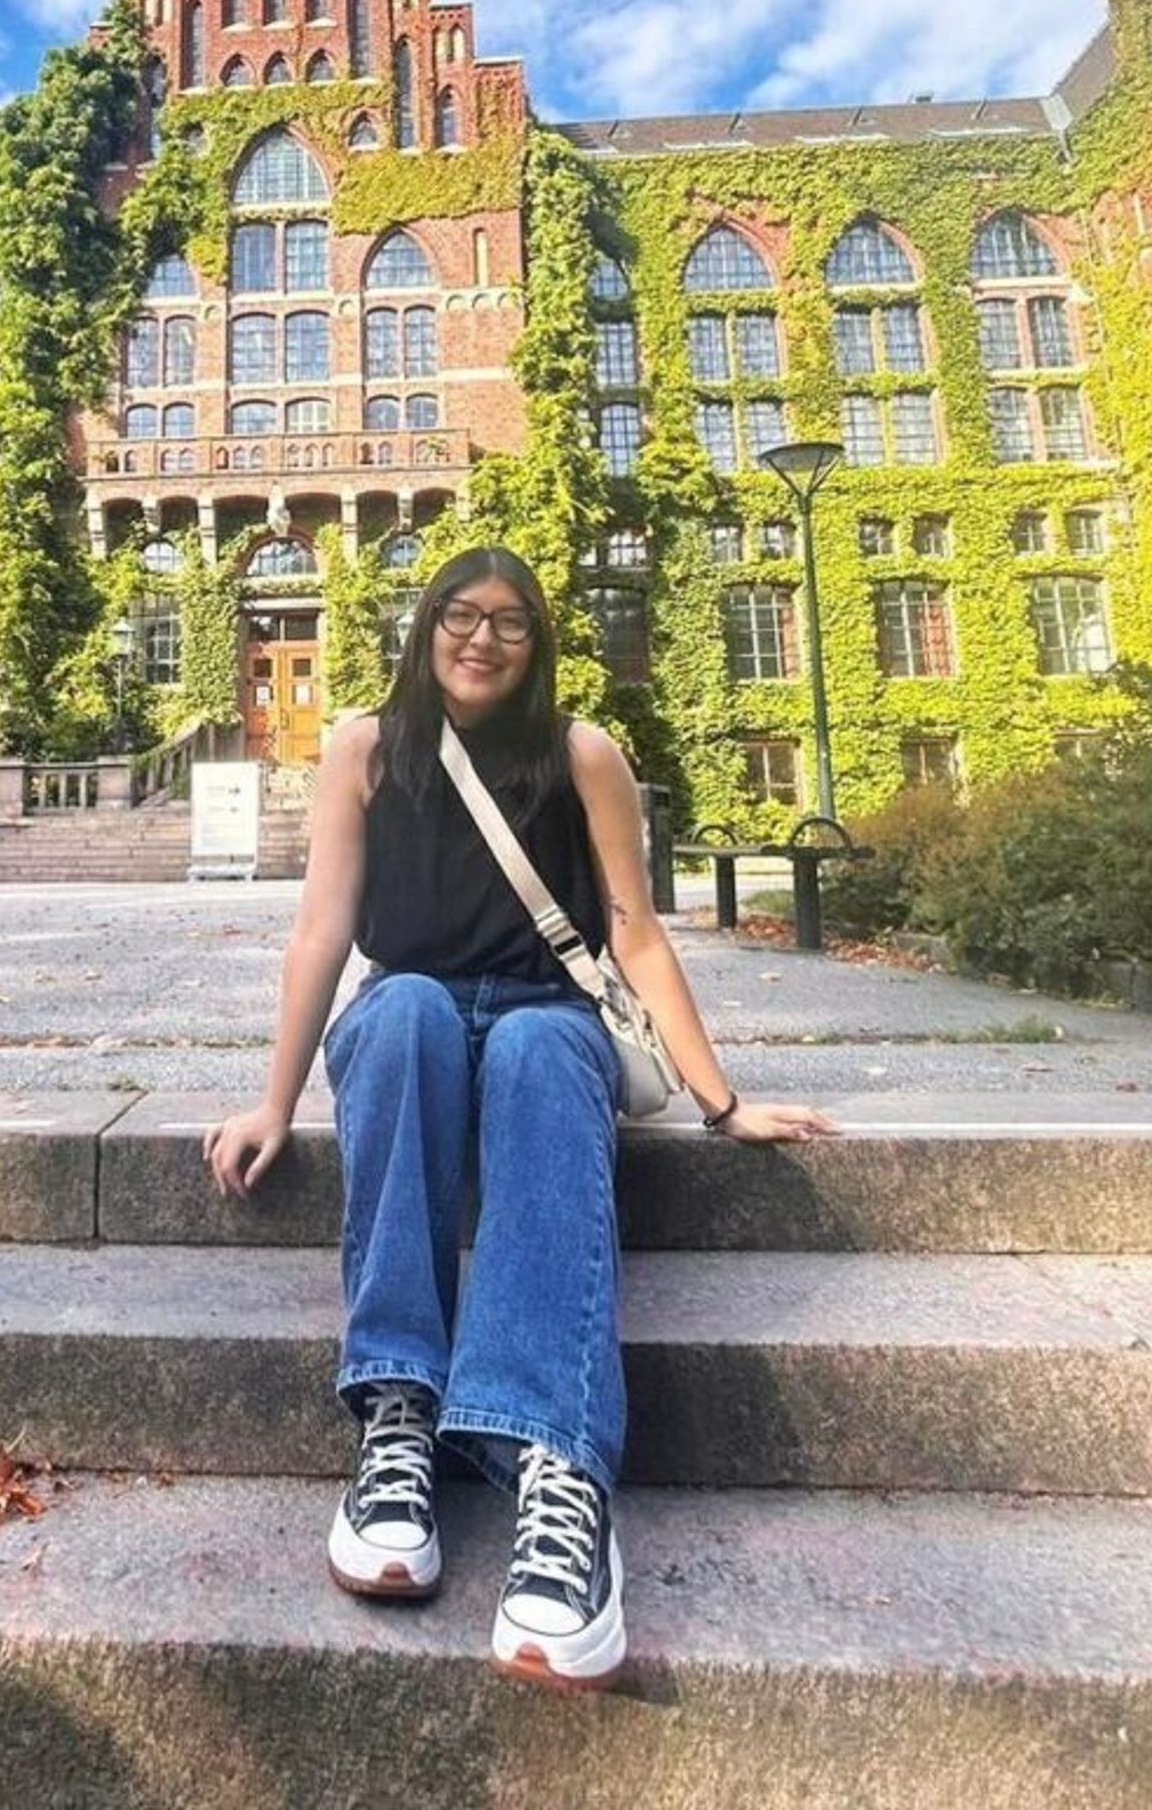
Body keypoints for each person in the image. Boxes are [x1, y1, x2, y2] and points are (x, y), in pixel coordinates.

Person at [203, 546, 838, 1691]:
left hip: (549, 1010)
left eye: (509, 622)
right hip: (411, 1007)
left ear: (538, 641)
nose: (481, 639)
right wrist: (274, 1100)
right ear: (425, 624)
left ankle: (557, 1465)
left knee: (547, 1047)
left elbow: (636, 934)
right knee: (401, 1015)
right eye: (460, 614)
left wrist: (722, 1100)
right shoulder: (362, 748)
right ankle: (399, 1410)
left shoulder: (583, 754)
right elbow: (321, 932)